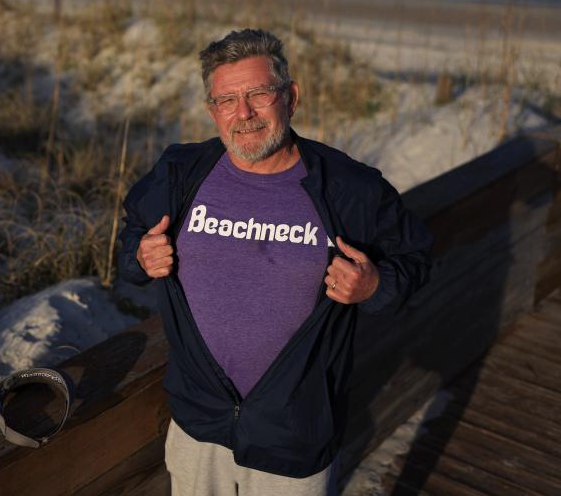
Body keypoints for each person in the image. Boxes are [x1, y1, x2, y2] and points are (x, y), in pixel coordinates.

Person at [117, 29, 433, 495]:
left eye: (258, 94)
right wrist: (141, 256)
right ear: (212, 111)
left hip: (296, 434)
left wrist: (373, 286)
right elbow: (131, 240)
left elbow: (416, 260)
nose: (243, 113)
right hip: (198, 424)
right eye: (226, 100)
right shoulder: (180, 172)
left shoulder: (350, 189)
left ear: (291, 97)